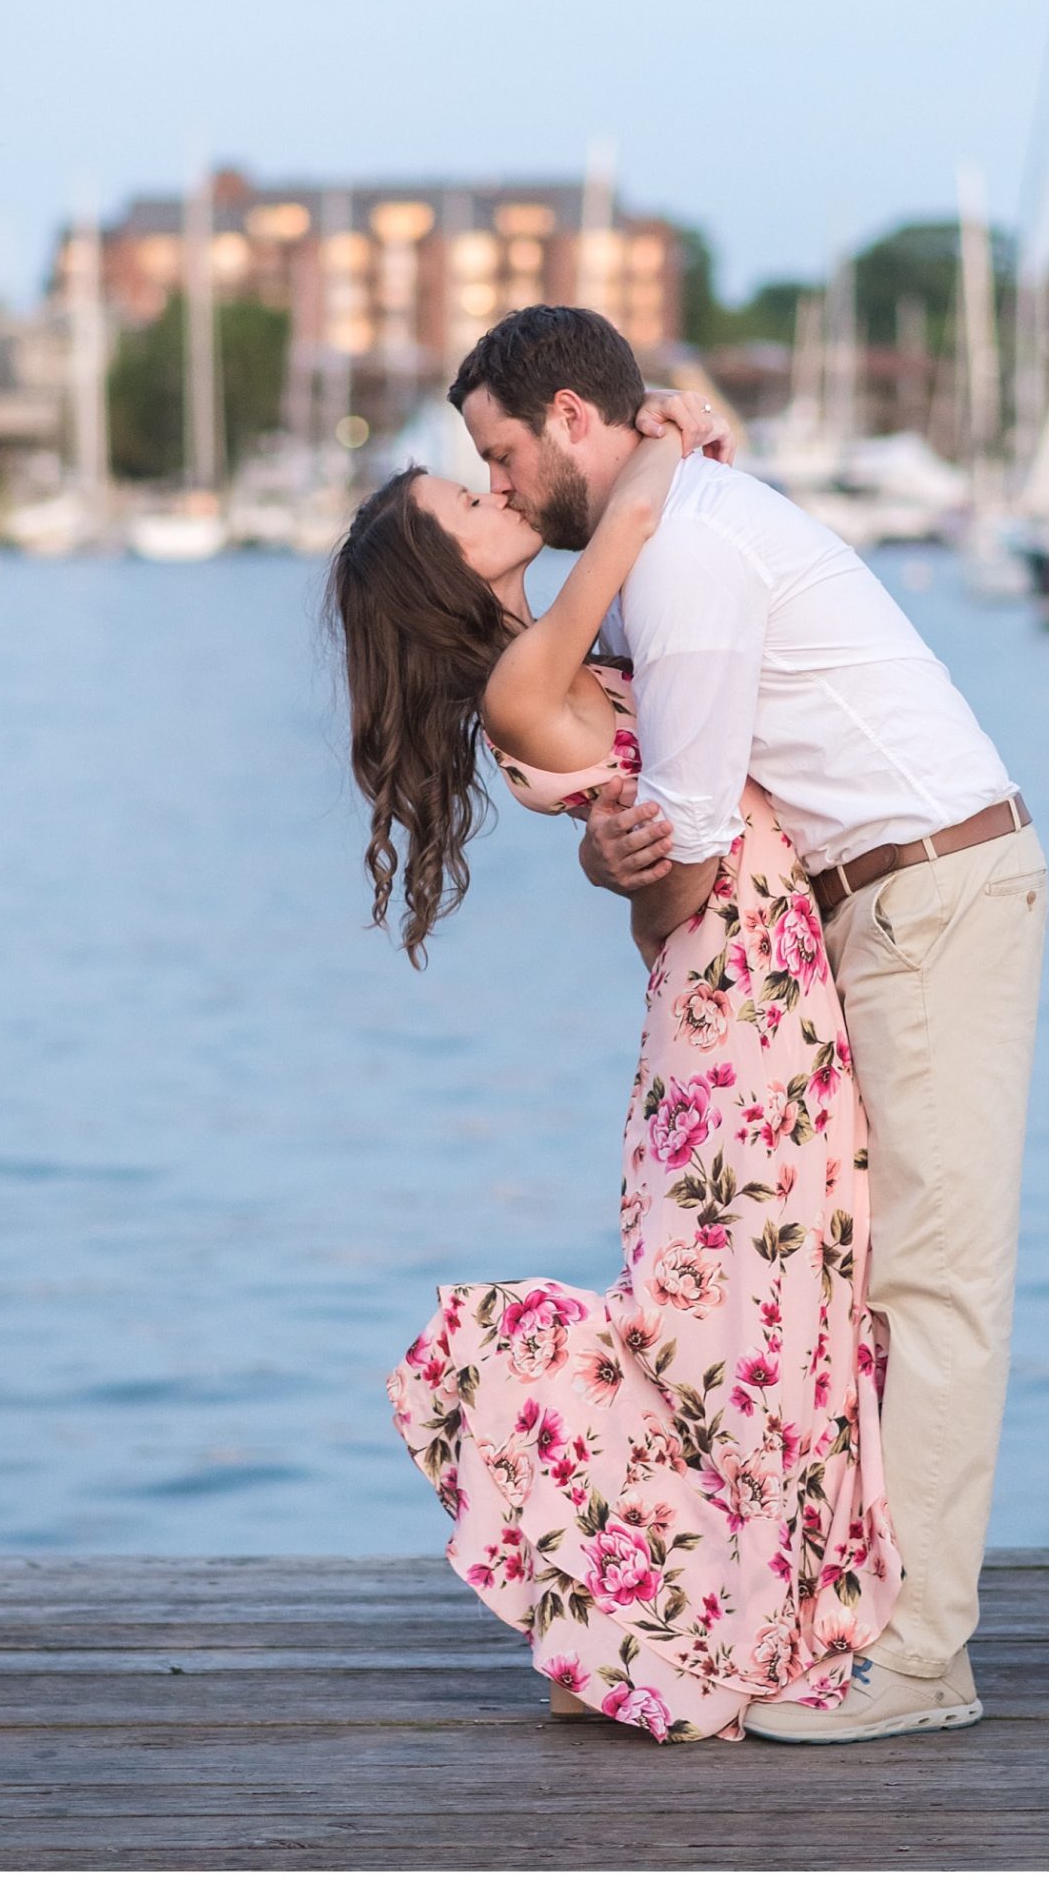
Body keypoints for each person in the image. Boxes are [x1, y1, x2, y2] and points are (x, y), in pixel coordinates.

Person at [449, 304, 1048, 1746]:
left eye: (502, 453)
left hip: (924, 891)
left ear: (571, 422)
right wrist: (623, 851)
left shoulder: (688, 557)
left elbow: (697, 838)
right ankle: (835, 1614)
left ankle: (919, 1662)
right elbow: (661, 816)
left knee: (932, 1289)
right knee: (861, 1288)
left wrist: (634, 873)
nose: (504, 484)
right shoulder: (666, 527)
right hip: (869, 906)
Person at [329, 391, 899, 1743]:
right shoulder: (524, 678)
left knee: (780, 1302)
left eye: (486, 477)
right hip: (731, 999)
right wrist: (675, 427)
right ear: (437, 568)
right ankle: (706, 1620)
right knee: (741, 1309)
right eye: (463, 506)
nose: (495, 498)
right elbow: (638, 517)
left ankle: (737, 1605)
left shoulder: (559, 651)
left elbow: (673, 674)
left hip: (749, 981)